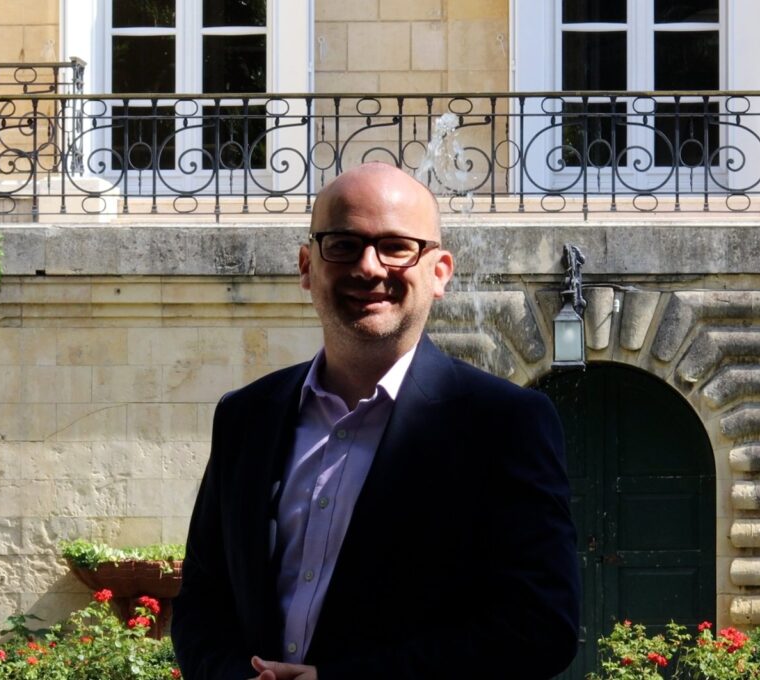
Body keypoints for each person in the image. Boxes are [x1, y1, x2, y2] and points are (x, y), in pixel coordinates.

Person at [172, 162, 580, 680]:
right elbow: (202, 602)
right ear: (306, 265)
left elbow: (540, 628)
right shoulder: (245, 416)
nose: (369, 267)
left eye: (397, 246)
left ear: (439, 272)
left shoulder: (503, 424)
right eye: (342, 244)